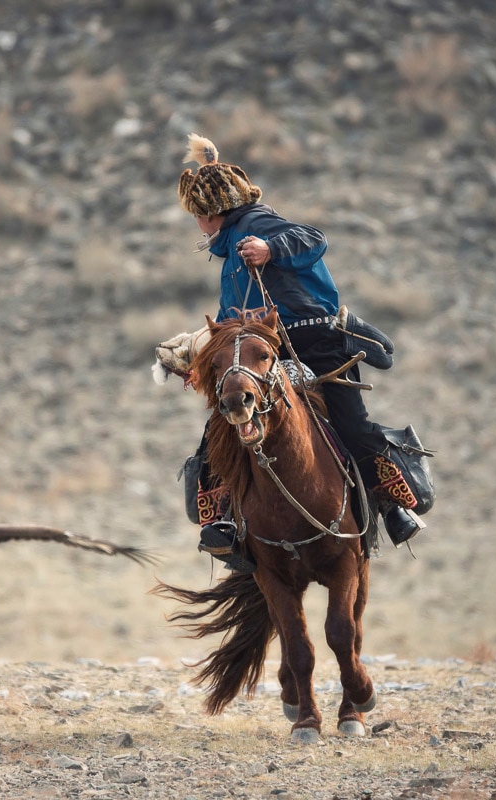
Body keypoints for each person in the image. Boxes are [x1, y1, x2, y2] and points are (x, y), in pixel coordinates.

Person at [172, 133, 428, 572]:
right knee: (221, 428)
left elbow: (314, 238)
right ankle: (225, 523)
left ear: (210, 213)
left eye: (197, 216)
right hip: (260, 350)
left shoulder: (258, 225)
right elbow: (229, 319)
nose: (197, 224)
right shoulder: (229, 252)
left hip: (316, 340)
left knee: (351, 422)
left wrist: (270, 248)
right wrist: (204, 362)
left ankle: (390, 507)